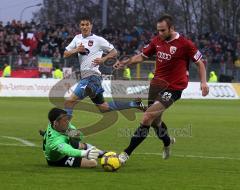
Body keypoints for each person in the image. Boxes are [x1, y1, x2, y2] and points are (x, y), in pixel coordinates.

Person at [113, 14, 209, 163]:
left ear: (171, 28)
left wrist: (203, 82)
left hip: (174, 87)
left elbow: (200, 63)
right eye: (158, 30)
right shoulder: (157, 40)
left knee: (147, 117)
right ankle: (167, 142)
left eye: (163, 30)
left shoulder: (185, 44)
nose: (160, 33)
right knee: (155, 122)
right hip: (156, 85)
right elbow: (142, 56)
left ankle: (126, 154)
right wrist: (125, 63)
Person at [63, 16, 144, 116]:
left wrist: (103, 59)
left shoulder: (98, 40)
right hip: (87, 77)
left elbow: (114, 51)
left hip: (92, 77)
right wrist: (76, 50)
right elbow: (65, 54)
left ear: (91, 26)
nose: (85, 27)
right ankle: (133, 103)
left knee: (69, 101)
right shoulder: (77, 38)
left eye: (87, 24)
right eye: (82, 25)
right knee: (103, 108)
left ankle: (64, 130)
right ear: (79, 26)